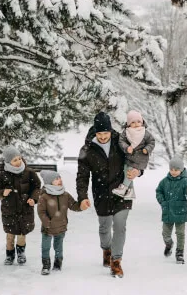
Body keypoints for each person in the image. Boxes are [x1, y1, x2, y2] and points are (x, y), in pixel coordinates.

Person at [76, 111, 141, 278]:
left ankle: (116, 261)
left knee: (120, 226)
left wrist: (138, 172)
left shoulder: (120, 142)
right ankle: (106, 249)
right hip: (101, 193)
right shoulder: (87, 149)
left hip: (123, 190)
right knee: (105, 227)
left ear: (111, 131)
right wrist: (82, 197)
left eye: (106, 133)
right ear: (95, 132)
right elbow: (82, 177)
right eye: (100, 133)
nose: (103, 137)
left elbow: (136, 159)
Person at [0, 146, 41, 265]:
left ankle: (21, 253)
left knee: (22, 234)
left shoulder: (29, 173)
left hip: (25, 209)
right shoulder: (2, 175)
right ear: (8, 162)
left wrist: (33, 199)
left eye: (19, 158)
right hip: (10, 210)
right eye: (15, 160)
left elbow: (37, 187)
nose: (18, 161)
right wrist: (2, 193)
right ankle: (9, 255)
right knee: (10, 235)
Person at [38, 170, 88, 275]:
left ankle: (58, 262)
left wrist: (81, 207)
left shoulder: (65, 195)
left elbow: (73, 205)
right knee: (46, 247)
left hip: (61, 227)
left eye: (59, 177)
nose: (59, 180)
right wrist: (47, 222)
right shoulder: (44, 197)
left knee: (58, 246)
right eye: (56, 179)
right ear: (49, 182)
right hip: (48, 228)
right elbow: (41, 212)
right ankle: (46, 265)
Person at [155, 155, 187, 264]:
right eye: (171, 169)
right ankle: (169, 243)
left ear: (181, 170)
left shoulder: (185, 181)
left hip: (180, 211)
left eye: (176, 170)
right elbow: (159, 191)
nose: (173, 172)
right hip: (167, 211)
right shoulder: (164, 181)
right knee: (165, 233)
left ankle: (180, 253)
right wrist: (162, 201)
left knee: (180, 233)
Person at [112, 110, 155, 200]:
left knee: (130, 172)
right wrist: (127, 147)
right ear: (128, 124)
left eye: (139, 121)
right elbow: (121, 141)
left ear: (142, 122)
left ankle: (123, 187)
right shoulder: (126, 132)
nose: (136, 124)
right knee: (126, 170)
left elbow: (151, 142)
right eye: (133, 122)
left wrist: (147, 149)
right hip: (129, 157)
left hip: (141, 157)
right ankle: (130, 191)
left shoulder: (145, 133)